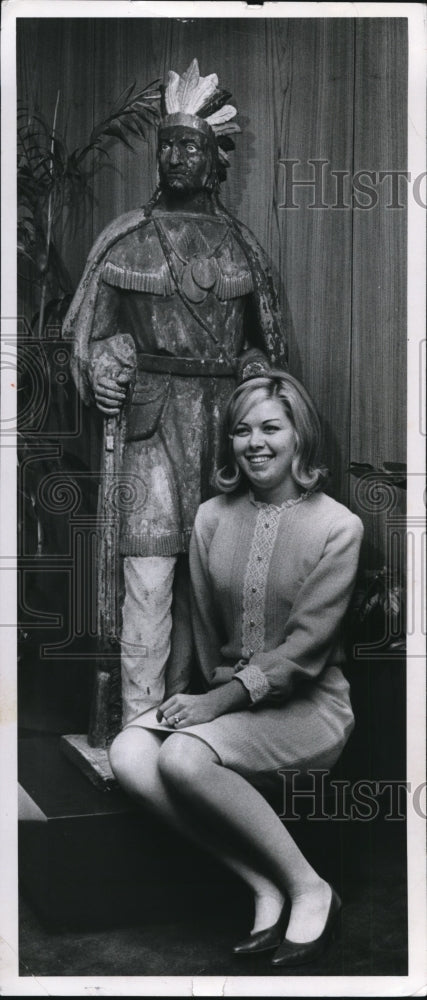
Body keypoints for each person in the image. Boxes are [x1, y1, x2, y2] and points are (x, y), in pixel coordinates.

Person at [109, 370, 364, 967]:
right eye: (242, 431)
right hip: (230, 706)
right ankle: (262, 882)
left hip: (309, 709)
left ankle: (310, 889)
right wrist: (172, 704)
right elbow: (197, 628)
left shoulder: (338, 528)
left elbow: (303, 653)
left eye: (271, 427)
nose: (256, 443)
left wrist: (209, 709)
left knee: (181, 755)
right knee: (129, 752)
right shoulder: (210, 518)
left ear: (299, 435)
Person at [64, 59, 287, 729]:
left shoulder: (243, 250)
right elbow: (88, 331)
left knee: (217, 584)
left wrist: (252, 368)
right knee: (150, 575)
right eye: (168, 144)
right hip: (151, 429)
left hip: (226, 429)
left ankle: (198, 727)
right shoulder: (126, 239)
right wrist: (101, 363)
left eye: (189, 145)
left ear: (213, 158)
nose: (176, 156)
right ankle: (136, 729)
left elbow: (265, 347)